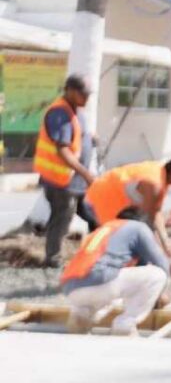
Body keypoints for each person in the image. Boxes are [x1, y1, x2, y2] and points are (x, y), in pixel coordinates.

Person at [62, 207, 171, 337]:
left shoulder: (105, 229)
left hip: (71, 288)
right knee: (157, 275)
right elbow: (162, 264)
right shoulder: (139, 228)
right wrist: (162, 293)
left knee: (113, 283)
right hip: (100, 281)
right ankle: (125, 324)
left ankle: (81, 315)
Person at [85, 155, 171, 265]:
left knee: (135, 247)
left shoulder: (162, 177)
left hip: (113, 204)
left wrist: (166, 243)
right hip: (98, 201)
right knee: (111, 250)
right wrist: (164, 258)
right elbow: (147, 222)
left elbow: (155, 212)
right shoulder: (153, 183)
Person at [34, 75, 96, 267]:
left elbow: (77, 136)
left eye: (88, 94)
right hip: (60, 182)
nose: (86, 98)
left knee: (94, 215)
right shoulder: (59, 113)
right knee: (62, 219)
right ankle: (52, 259)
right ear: (69, 90)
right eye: (82, 94)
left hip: (74, 182)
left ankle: (97, 254)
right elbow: (62, 150)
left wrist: (91, 138)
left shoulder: (74, 111)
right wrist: (85, 173)